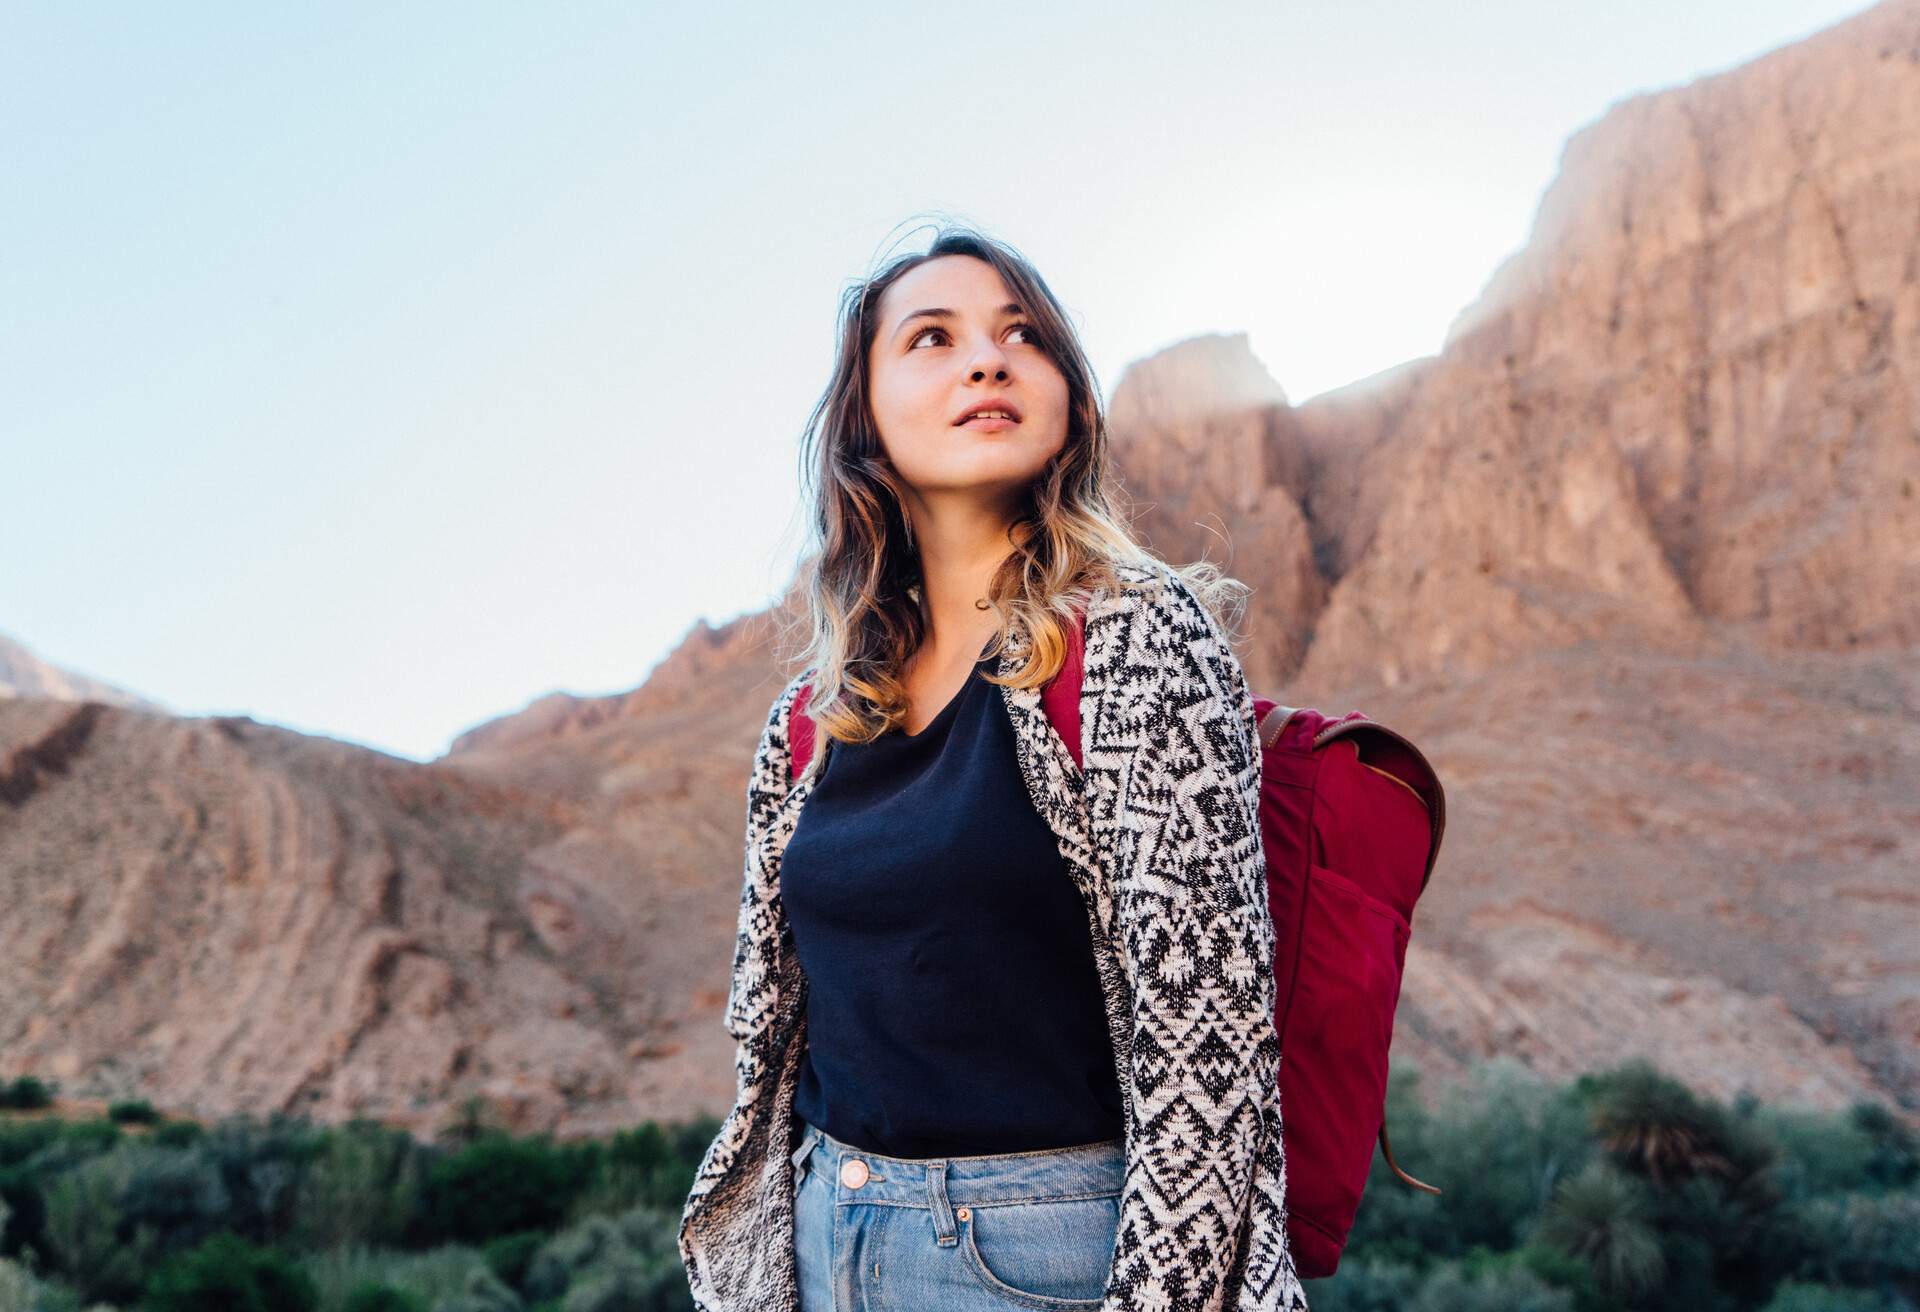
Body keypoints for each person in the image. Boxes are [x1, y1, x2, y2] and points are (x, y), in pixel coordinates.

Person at [678, 222, 1309, 1312]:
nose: (987, 358)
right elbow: (767, 1049)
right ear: (865, 420)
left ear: (1066, 394)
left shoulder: (1133, 641)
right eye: (932, 336)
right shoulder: (810, 723)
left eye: (1023, 335)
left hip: (1048, 1254)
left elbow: (1208, 1053)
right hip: (828, 1236)